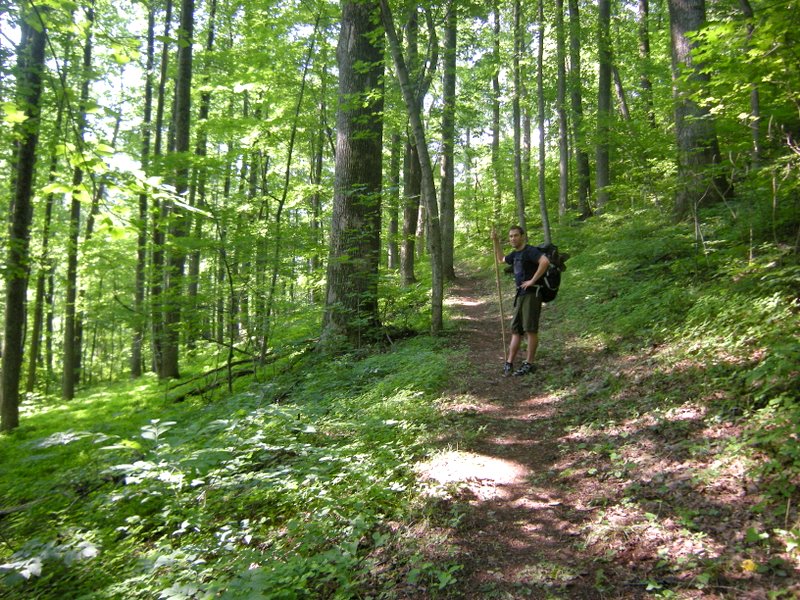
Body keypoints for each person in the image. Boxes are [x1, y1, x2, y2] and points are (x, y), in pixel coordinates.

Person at [492, 226, 550, 376]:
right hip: (521, 294)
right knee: (516, 329)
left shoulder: (530, 251)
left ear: (522, 236)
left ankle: (529, 363)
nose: (513, 238)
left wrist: (532, 280)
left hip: (532, 293)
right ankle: (509, 363)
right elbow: (501, 259)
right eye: (511, 236)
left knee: (530, 329)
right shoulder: (515, 254)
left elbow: (544, 262)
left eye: (516, 235)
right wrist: (496, 241)